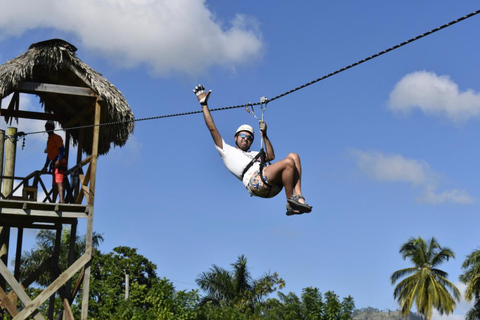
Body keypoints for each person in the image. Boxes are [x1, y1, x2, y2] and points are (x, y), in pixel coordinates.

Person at [194, 84, 312, 216]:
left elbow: (271, 156)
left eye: (249, 138)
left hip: (271, 182)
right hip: (256, 183)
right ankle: (290, 203)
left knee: (294, 156)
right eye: (243, 136)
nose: (246, 139)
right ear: (235, 137)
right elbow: (212, 128)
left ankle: (299, 197)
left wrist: (265, 135)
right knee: (289, 162)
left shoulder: (254, 154)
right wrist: (204, 104)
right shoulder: (226, 151)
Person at [41, 121, 67, 203]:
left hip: (60, 162)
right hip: (54, 163)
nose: (47, 128)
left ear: (53, 128)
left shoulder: (56, 137)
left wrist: (59, 160)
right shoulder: (49, 141)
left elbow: (62, 149)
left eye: (49, 127)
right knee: (54, 183)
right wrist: (45, 166)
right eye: (47, 127)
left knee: (59, 180)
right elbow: (49, 156)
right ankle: (53, 201)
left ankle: (62, 200)